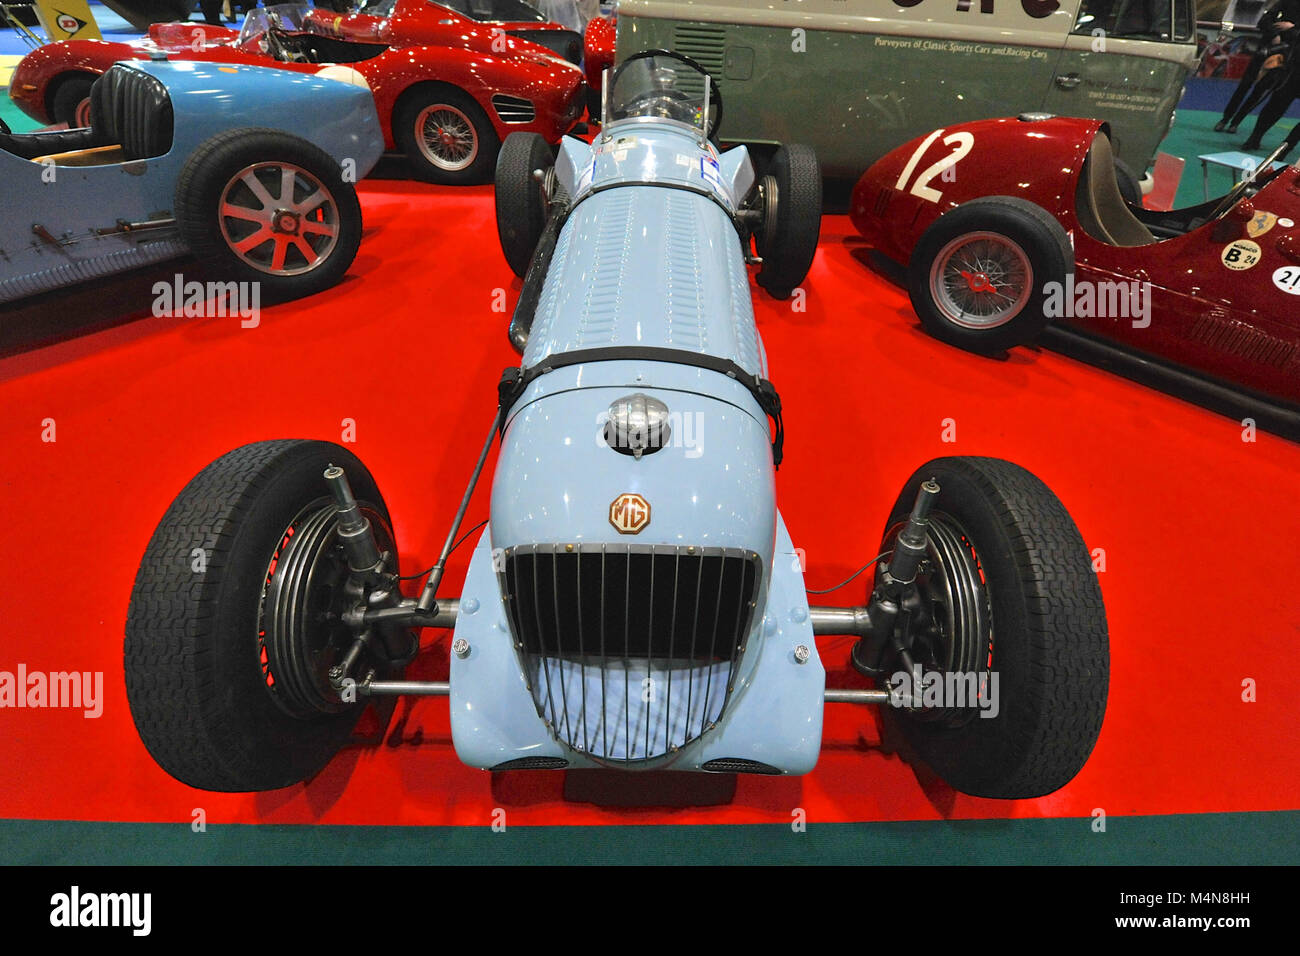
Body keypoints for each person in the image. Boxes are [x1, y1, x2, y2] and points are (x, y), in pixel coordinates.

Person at [1215, 0, 1300, 132]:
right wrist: (1275, 34)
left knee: (1259, 90)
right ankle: (1226, 118)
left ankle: (1236, 122)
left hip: (1285, 54)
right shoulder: (1286, 2)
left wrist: (1292, 28)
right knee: (1245, 85)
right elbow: (1264, 20)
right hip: (1268, 47)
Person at [1242, 28, 1300, 148]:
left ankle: (1286, 148)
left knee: (1276, 105)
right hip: (1294, 72)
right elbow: (1290, 33)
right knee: (1276, 105)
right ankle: (1255, 137)